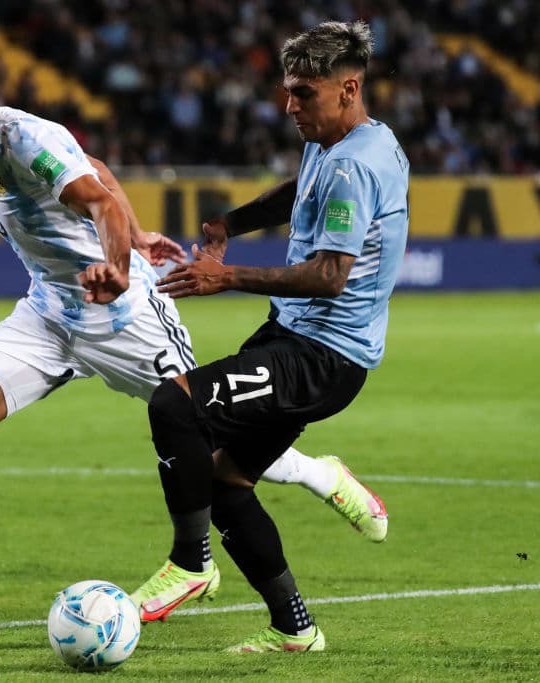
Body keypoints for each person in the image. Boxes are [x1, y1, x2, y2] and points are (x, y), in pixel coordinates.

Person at [0, 56, 388, 638]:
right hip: (51, 312)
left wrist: (117, 264)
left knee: (207, 439)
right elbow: (99, 169)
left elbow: (98, 198)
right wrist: (135, 236)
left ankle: (317, 474)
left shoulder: (28, 139)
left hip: (125, 316)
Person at [131, 20, 408, 652]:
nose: (289, 106)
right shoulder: (346, 140)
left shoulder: (355, 169)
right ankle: (295, 628)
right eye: (287, 91)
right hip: (296, 339)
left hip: (322, 356)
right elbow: (297, 191)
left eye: (303, 94)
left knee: (175, 404)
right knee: (227, 484)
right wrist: (232, 220)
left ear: (348, 88)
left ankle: (189, 563)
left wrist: (224, 275)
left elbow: (331, 275)